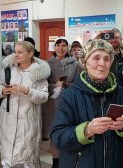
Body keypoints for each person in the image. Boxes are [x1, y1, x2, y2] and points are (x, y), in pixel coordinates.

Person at [51, 39, 123, 168]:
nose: (102, 63)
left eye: (107, 59)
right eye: (96, 58)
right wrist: (87, 130)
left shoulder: (122, 94)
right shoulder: (70, 95)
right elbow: (58, 137)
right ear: (85, 62)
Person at [0, 41, 50, 167]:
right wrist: (2, 90)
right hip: (7, 117)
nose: (16, 55)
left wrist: (26, 90)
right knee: (7, 153)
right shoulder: (8, 69)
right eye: (15, 52)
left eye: (20, 52)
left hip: (28, 118)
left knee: (26, 154)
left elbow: (44, 96)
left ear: (30, 54)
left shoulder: (37, 72)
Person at [41, 38, 82, 168]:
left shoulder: (75, 64)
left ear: (67, 48)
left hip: (70, 101)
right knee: (54, 132)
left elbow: (81, 83)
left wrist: (69, 85)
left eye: (63, 45)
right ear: (54, 48)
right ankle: (55, 161)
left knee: (69, 130)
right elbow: (42, 84)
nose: (60, 48)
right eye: (58, 45)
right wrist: (54, 85)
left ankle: (69, 161)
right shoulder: (46, 64)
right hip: (52, 103)